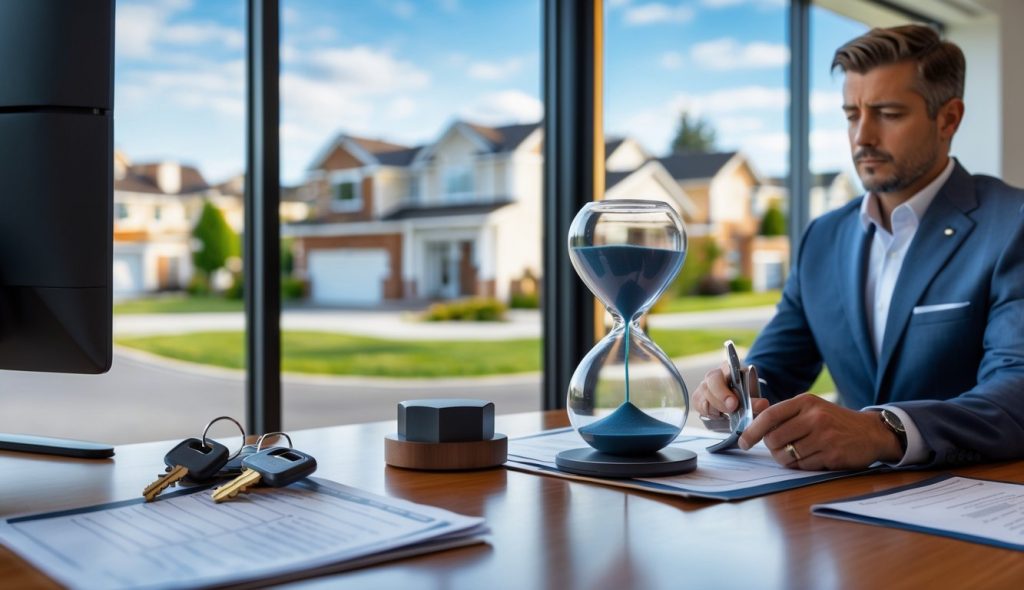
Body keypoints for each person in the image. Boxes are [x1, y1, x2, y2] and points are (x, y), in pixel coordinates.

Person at [693, 24, 1024, 470]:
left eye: (887, 113)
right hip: (840, 511)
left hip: (978, 508)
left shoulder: (1011, 224)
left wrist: (883, 430)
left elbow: (1015, 391)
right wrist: (734, 392)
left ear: (948, 118)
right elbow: (776, 368)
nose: (862, 136)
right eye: (852, 114)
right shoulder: (822, 238)